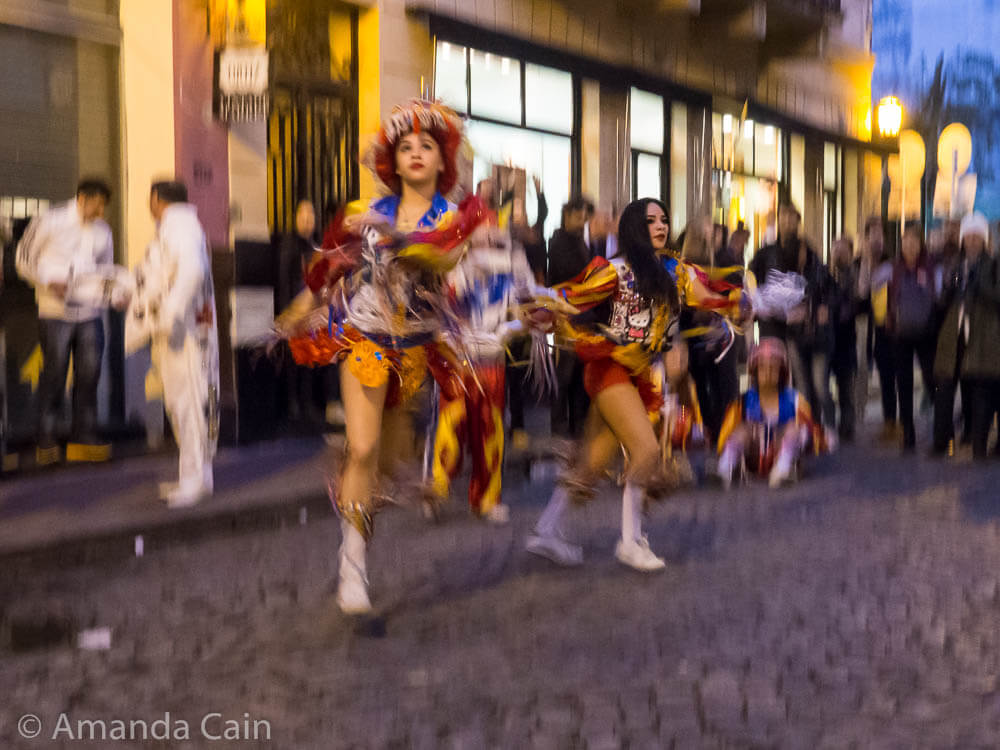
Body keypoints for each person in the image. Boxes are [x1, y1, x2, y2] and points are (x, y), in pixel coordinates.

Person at [276, 100, 488, 614]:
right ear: (393, 160)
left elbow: (443, 254)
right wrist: (295, 314)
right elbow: (326, 273)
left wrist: (403, 241)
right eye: (406, 146)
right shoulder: (360, 216)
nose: (415, 152)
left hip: (415, 353)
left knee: (389, 465)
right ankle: (353, 563)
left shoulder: (456, 219)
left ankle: (359, 496)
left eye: (427, 145)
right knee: (365, 448)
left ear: (443, 161)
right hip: (365, 340)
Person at [526, 198, 684, 572]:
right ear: (633, 227)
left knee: (593, 463)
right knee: (645, 450)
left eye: (664, 219)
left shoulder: (672, 272)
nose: (660, 226)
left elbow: (701, 300)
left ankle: (547, 530)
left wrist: (743, 305)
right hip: (608, 366)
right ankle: (631, 541)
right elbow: (570, 295)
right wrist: (542, 308)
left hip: (638, 375)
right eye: (650, 221)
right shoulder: (614, 270)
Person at [428, 180, 541, 524]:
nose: (490, 234)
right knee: (452, 424)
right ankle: (438, 488)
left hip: (492, 361)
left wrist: (510, 330)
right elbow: (444, 311)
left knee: (489, 430)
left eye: (494, 228)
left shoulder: (513, 265)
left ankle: (487, 498)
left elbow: (531, 307)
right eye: (484, 228)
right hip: (461, 362)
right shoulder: (457, 267)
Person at [15, 178, 124, 465]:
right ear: (83, 198)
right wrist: (48, 282)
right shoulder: (49, 220)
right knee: (54, 374)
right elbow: (22, 259)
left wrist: (115, 296)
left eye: (104, 206)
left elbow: (107, 271)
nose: (101, 212)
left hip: (90, 313)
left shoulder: (103, 231)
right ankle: (46, 439)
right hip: (54, 311)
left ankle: (84, 437)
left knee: (89, 375)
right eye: (98, 205)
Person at [127, 180, 219, 507]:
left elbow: (191, 271)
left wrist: (170, 313)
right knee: (189, 403)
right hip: (189, 330)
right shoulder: (181, 227)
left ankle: (194, 481)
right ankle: (196, 476)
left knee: (187, 404)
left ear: (156, 198)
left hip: (185, 333)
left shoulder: (178, 228)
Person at [747, 203, 830, 419]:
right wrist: (757, 301)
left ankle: (806, 421)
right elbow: (750, 277)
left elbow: (819, 282)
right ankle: (767, 418)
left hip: (797, 328)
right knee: (768, 373)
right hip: (770, 326)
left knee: (800, 378)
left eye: (791, 217)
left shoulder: (808, 252)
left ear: (798, 221)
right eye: (783, 216)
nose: (786, 221)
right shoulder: (766, 252)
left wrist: (808, 306)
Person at [933, 213, 1000, 460]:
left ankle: (978, 446)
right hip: (955, 334)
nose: (971, 241)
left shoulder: (993, 264)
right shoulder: (955, 264)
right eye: (968, 236)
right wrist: (950, 288)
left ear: (984, 240)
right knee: (945, 386)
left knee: (980, 389)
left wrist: (978, 283)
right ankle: (941, 441)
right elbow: (943, 302)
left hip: (983, 335)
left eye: (976, 236)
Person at [716, 338, 825, 488]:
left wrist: (798, 434)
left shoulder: (794, 399)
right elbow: (726, 432)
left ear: (782, 372)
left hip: (783, 452)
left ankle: (783, 471)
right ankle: (725, 468)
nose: (767, 373)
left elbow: (812, 433)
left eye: (773, 368)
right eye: (762, 368)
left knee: (794, 427)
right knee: (742, 428)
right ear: (754, 371)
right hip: (754, 455)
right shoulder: (743, 400)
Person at [546, 194, 598, 441]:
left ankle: (577, 421)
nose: (582, 221)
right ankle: (559, 422)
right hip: (567, 313)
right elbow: (566, 274)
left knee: (578, 371)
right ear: (568, 214)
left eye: (585, 216)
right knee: (565, 371)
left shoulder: (580, 242)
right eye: (579, 216)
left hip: (581, 313)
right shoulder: (560, 242)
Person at [277, 199, 330, 428]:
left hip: (313, 314)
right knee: (293, 362)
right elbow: (283, 281)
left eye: (311, 214)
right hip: (294, 311)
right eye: (303, 214)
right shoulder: (290, 245)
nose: (307, 219)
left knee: (310, 362)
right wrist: (287, 313)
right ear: (295, 218)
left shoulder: (316, 245)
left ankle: (309, 405)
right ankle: (293, 406)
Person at [886, 225, 937, 452]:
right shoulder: (894, 268)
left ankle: (940, 425)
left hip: (926, 333)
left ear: (921, 243)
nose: (909, 244)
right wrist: (889, 320)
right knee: (903, 384)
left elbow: (938, 295)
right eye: (905, 240)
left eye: (913, 240)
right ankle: (908, 432)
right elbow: (885, 295)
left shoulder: (931, 266)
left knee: (931, 380)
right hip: (900, 334)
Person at [826, 237, 860, 441]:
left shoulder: (853, 275)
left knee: (845, 387)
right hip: (827, 338)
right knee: (823, 386)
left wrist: (834, 310)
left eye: (842, 250)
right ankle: (829, 425)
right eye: (835, 249)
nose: (838, 253)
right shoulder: (826, 274)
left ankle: (847, 427)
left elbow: (853, 306)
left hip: (845, 338)